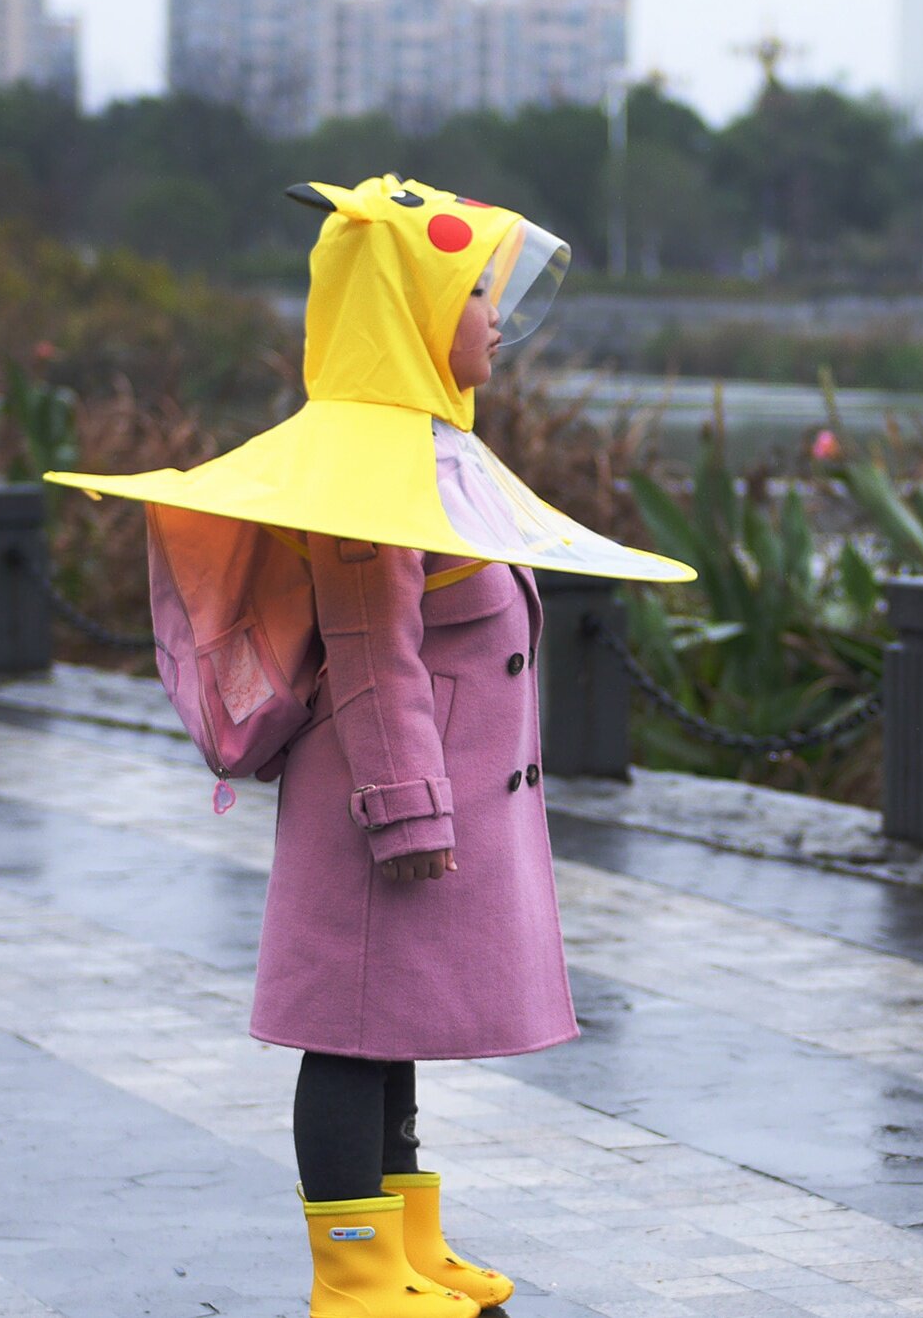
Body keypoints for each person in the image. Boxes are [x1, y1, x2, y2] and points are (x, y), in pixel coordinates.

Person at [46, 174, 693, 1318]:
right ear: (410, 308)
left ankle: (405, 1244)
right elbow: (368, 648)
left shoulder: (431, 447)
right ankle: (352, 1273)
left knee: (391, 1022)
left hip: (423, 791)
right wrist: (405, 808)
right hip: (380, 799)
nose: (497, 320)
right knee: (348, 1031)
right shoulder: (365, 469)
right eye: (477, 295)